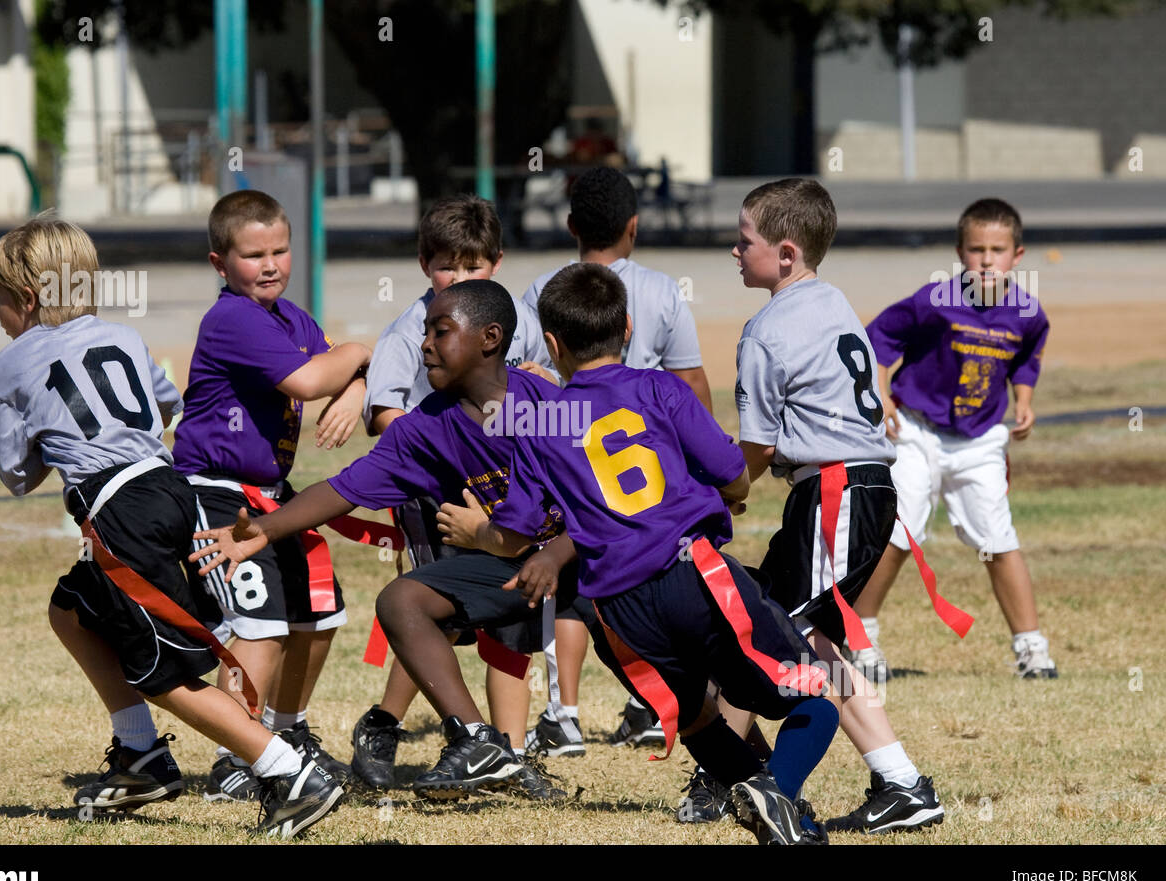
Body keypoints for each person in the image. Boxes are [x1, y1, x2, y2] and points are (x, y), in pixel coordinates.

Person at [439, 263, 841, 845]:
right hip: (693, 573)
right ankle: (775, 793)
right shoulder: (659, 388)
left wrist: (478, 532)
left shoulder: (538, 418)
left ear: (551, 344)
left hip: (616, 608)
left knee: (696, 713)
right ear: (627, 328)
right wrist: (714, 492)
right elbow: (735, 478)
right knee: (816, 699)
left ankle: (781, 824)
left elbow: (516, 533)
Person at [0, 215, 341, 838]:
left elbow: (17, 474)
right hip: (171, 488)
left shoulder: (12, 361)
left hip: (120, 513)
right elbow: (164, 405)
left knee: (161, 669)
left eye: (2, 300)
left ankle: (286, 770)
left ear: (31, 299)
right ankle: (140, 753)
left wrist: (53, 437)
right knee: (72, 609)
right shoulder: (119, 333)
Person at [193, 279, 580, 801]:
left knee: (671, 652)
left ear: (490, 339)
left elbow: (598, 505)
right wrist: (264, 527)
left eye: (441, 332)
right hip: (521, 565)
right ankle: (476, 739)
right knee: (403, 599)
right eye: (425, 332)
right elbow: (344, 487)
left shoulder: (546, 404)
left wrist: (546, 549)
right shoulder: (427, 428)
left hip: (590, 558)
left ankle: (724, 755)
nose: (425, 345)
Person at [712, 178, 959, 835]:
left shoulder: (766, 328)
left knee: (775, 636)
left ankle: (765, 785)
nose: (734, 252)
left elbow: (758, 447)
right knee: (807, 638)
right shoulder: (832, 300)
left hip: (835, 491)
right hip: (859, 486)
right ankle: (900, 783)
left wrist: (720, 494)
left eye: (745, 241)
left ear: (786, 253)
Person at [351, 194, 567, 787]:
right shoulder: (410, 331)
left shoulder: (503, 318)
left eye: (473, 265)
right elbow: (385, 412)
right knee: (437, 617)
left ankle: (508, 757)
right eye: (449, 264)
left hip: (507, 501)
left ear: (495, 263)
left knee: (511, 622)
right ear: (425, 264)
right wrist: (440, 450)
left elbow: (532, 396)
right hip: (441, 501)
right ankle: (385, 725)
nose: (461, 276)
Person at [174, 189, 372, 802]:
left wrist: (359, 387)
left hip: (273, 493)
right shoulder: (232, 317)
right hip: (218, 492)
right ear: (219, 264)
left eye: (280, 250)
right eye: (253, 254)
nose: (270, 265)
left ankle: (286, 734)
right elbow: (312, 377)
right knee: (261, 626)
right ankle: (239, 754)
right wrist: (362, 354)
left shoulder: (292, 317)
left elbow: (333, 365)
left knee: (319, 615)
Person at [519, 166, 713, 754]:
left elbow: (529, 378)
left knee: (571, 583)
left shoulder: (542, 290)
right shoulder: (659, 289)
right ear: (634, 226)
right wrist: (698, 452)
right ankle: (655, 703)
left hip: (574, 458)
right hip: (652, 461)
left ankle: (564, 713)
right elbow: (690, 380)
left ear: (572, 225)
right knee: (657, 574)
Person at [856, 198, 1055, 679]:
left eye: (998, 249)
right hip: (917, 431)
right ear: (959, 253)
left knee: (997, 538)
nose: (987, 260)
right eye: (976, 249)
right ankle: (860, 639)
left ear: (1018, 255)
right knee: (899, 529)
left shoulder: (1028, 313)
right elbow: (877, 339)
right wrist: (879, 395)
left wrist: (1023, 400)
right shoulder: (933, 301)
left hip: (980, 438)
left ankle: (1032, 650)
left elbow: (1026, 358)